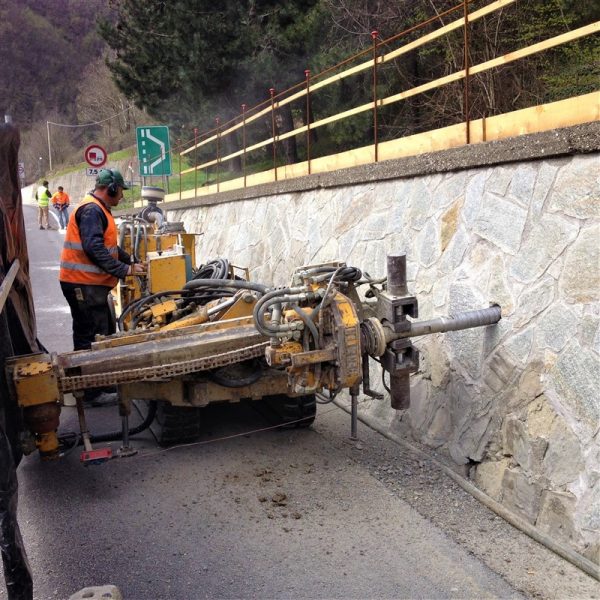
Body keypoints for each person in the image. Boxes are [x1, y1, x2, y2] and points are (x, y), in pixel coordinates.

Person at [59, 168, 145, 405]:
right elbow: (93, 248)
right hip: (82, 284)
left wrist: (131, 261)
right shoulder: (91, 211)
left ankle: (101, 382)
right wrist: (124, 270)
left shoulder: (99, 209)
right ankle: (91, 392)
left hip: (89, 284)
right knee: (91, 336)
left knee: (103, 330)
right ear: (111, 189)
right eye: (121, 191)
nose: (122, 196)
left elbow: (110, 248)